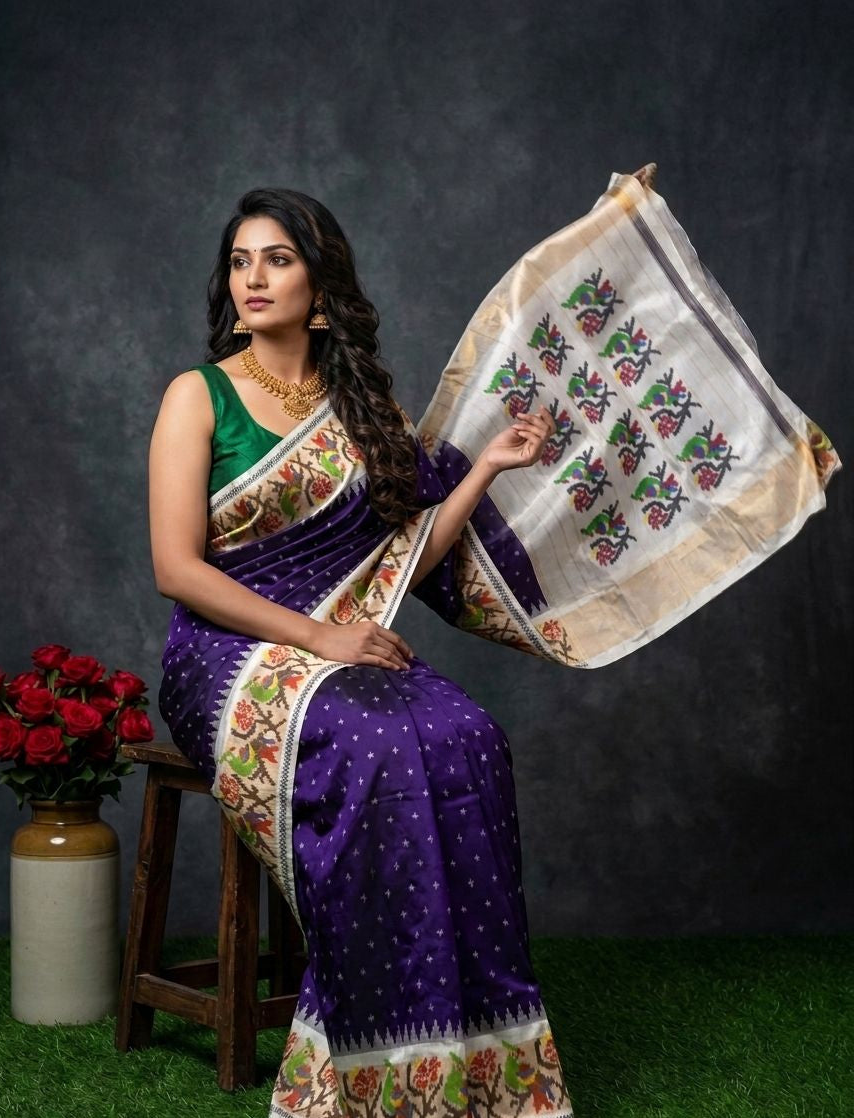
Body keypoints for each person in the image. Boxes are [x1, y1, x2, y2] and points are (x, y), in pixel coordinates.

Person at [149, 169, 836, 1118]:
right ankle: (368, 1060)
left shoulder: (363, 415)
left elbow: (407, 557)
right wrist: (319, 639)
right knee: (384, 747)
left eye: (278, 259)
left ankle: (469, 1060)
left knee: (468, 736)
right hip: (227, 657)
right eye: (239, 262)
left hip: (341, 648)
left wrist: (487, 471)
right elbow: (177, 570)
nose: (252, 279)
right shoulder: (199, 397)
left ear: (321, 284)